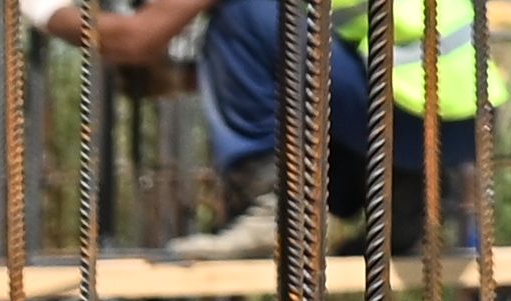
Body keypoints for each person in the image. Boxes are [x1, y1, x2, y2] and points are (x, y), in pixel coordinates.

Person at [24, 0, 477, 256]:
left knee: (237, 13)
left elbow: (135, 40)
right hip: (453, 131)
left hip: (401, 110)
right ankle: (405, 207)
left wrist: (46, 12)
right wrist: (188, 76)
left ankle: (278, 213)